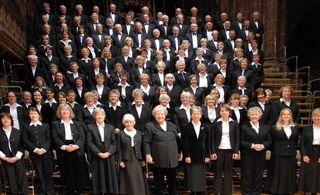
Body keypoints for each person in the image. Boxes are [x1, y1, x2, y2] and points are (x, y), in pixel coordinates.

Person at [51, 103, 89, 194]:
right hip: (63, 148)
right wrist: (65, 147)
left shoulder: (78, 123)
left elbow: (82, 137)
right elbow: (55, 137)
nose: (65, 111)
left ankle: (79, 189)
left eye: (67, 110)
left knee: (78, 170)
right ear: (59, 112)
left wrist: (75, 146)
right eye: (62, 110)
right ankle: (69, 189)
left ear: (70, 111)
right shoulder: (55, 124)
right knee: (66, 170)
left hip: (76, 148)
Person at [144, 105, 180, 195]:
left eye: (162, 114)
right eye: (157, 114)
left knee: (172, 184)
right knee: (158, 184)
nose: (160, 116)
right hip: (158, 160)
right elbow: (146, 142)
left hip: (172, 160)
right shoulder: (150, 126)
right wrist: (148, 155)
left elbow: (178, 140)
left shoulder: (172, 125)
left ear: (165, 115)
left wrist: (180, 152)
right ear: (154, 115)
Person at [86, 108, 119, 194]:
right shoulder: (90, 127)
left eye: (101, 114)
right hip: (97, 155)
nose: (100, 116)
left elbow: (114, 143)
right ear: (94, 116)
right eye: (98, 115)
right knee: (98, 176)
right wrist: (99, 153)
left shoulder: (110, 127)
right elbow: (90, 143)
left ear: (104, 116)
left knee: (110, 176)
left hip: (109, 155)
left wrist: (109, 153)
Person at [22, 107, 54, 194]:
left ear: (39, 115)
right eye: (31, 114)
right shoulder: (26, 127)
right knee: (39, 174)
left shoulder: (45, 125)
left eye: (35, 113)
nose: (33, 115)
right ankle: (43, 191)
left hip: (46, 153)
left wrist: (44, 149)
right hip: (34, 154)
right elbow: (25, 140)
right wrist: (35, 149)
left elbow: (49, 139)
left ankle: (50, 192)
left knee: (48, 173)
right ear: (29, 115)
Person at [240, 107, 271, 195]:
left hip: (261, 154)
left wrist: (263, 146)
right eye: (252, 114)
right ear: (249, 116)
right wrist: (253, 146)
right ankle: (247, 192)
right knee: (247, 173)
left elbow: (269, 140)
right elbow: (241, 142)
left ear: (260, 116)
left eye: (256, 114)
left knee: (259, 173)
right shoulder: (244, 127)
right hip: (247, 154)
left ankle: (257, 192)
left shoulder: (265, 127)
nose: (254, 116)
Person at [268, 108, 299, 194]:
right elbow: (271, 141)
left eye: (288, 114)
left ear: (291, 116)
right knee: (278, 172)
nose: (286, 116)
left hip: (291, 153)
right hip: (278, 153)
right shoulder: (274, 127)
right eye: (284, 114)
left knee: (289, 172)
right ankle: (276, 190)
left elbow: (296, 140)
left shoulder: (295, 126)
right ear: (281, 116)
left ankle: (289, 190)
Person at [211, 104, 240, 195]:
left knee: (228, 172)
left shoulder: (234, 123)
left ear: (229, 112)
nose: (224, 112)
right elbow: (212, 138)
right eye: (222, 111)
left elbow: (237, 138)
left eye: (226, 111)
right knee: (218, 172)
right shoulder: (216, 123)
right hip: (218, 150)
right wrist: (213, 152)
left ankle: (227, 192)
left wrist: (236, 151)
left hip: (230, 151)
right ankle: (218, 191)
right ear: (219, 112)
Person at [181, 106, 210, 194]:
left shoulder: (205, 127)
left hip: (202, 155)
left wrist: (207, 156)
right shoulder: (186, 126)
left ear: (201, 115)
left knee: (200, 175)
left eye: (198, 114)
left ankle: (201, 192)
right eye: (194, 114)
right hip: (191, 155)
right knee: (192, 176)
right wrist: (187, 155)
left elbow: (207, 142)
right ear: (191, 115)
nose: (196, 115)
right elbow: (184, 142)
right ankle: (193, 192)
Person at [118, 114, 148, 195]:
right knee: (129, 178)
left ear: (134, 123)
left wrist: (143, 160)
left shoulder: (139, 133)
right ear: (124, 123)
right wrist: (120, 161)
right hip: (127, 159)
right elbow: (119, 148)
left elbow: (143, 147)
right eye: (127, 122)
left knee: (139, 178)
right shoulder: (121, 134)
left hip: (138, 158)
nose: (129, 124)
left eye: (131, 122)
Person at [0, 112, 28, 194]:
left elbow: (22, 146)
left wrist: (16, 157)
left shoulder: (17, 131)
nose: (6, 120)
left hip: (18, 158)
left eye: (8, 118)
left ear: (11, 120)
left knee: (22, 177)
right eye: (3, 118)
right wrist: (5, 158)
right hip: (5, 159)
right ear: (0, 120)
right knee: (11, 178)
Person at [299, 108, 320, 194]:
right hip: (308, 152)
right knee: (306, 174)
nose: (316, 118)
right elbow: (302, 143)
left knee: (316, 174)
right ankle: (305, 191)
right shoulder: (307, 128)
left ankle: (314, 192)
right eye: (314, 116)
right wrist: (304, 155)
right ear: (312, 118)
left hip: (318, 153)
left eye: (318, 116)